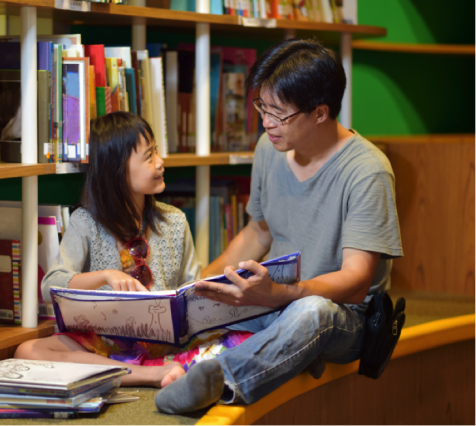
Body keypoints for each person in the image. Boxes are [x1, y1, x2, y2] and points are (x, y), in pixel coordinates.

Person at [155, 38, 403, 414]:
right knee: (194, 310)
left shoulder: (368, 171)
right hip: (274, 299)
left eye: (279, 113)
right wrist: (198, 289)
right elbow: (259, 232)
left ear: (320, 113)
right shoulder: (269, 148)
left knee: (312, 314)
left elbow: (356, 282)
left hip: (343, 317)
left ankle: (221, 382)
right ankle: (286, 353)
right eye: (262, 107)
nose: (266, 122)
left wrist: (283, 295)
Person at [15, 112, 253, 388]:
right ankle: (152, 375)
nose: (161, 162)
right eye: (149, 156)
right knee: (28, 352)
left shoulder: (175, 221)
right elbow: (51, 286)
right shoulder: (86, 222)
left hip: (169, 345)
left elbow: (192, 291)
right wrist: (105, 276)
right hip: (103, 344)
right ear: (118, 169)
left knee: (247, 338)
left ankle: (163, 368)